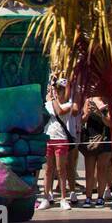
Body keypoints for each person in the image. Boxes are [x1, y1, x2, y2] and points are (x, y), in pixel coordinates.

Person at [38, 78, 78, 210]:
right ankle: (46, 197)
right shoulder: (48, 103)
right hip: (49, 138)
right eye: (56, 89)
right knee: (48, 170)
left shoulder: (68, 104)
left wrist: (53, 98)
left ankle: (63, 198)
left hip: (61, 139)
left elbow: (60, 112)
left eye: (60, 89)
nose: (57, 91)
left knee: (61, 170)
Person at [79, 95, 112, 208]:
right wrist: (88, 113)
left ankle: (100, 197)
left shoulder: (110, 101)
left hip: (105, 138)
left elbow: (110, 123)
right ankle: (88, 197)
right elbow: (82, 120)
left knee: (102, 169)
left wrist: (99, 113)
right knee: (89, 171)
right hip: (90, 138)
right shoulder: (88, 100)